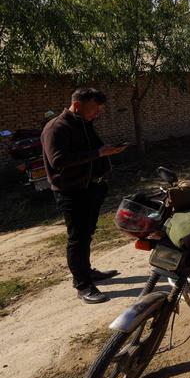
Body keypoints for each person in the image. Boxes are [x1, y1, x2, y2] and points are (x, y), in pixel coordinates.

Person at [41, 88, 127, 304]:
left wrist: (108, 151)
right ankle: (82, 285)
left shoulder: (85, 124)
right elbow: (58, 161)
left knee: (87, 233)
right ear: (77, 105)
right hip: (71, 191)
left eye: (99, 109)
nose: (97, 113)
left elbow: (94, 150)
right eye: (94, 108)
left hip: (92, 188)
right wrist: (99, 153)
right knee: (77, 238)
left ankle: (86, 271)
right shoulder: (56, 127)